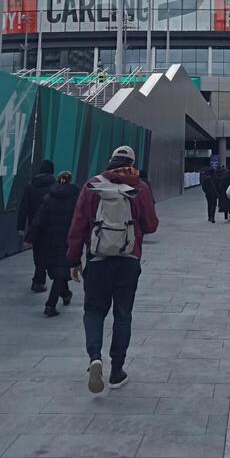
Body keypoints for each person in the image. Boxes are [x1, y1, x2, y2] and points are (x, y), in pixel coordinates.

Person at [67, 145, 158, 394]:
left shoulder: (92, 186)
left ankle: (95, 357)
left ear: (110, 161)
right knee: (123, 314)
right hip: (128, 261)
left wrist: (74, 260)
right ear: (132, 162)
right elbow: (151, 226)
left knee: (94, 311)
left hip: (97, 260)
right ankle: (117, 371)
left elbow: (78, 225)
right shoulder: (140, 188)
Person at [25, 170, 78, 317]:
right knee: (61, 272)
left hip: (49, 240)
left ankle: (66, 294)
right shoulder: (76, 198)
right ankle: (50, 304)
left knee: (58, 271)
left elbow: (38, 220)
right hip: (68, 240)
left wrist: (30, 238)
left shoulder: (49, 198)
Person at [17, 159, 55, 292]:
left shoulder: (30, 185)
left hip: (35, 225)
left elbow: (23, 207)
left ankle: (39, 279)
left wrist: (21, 227)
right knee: (50, 252)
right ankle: (42, 280)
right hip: (51, 226)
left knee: (38, 252)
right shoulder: (55, 186)